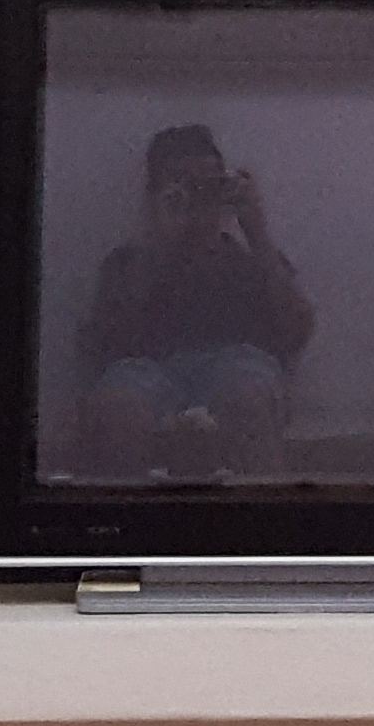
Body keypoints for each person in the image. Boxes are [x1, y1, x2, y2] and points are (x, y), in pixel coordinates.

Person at [69, 124, 315, 479]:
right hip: (145, 369)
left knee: (247, 396)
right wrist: (162, 241)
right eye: (183, 188)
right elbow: (101, 341)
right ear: (155, 195)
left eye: (209, 187)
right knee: (119, 408)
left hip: (237, 363)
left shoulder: (252, 261)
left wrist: (256, 230)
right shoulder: (128, 263)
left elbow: (298, 332)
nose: (199, 201)